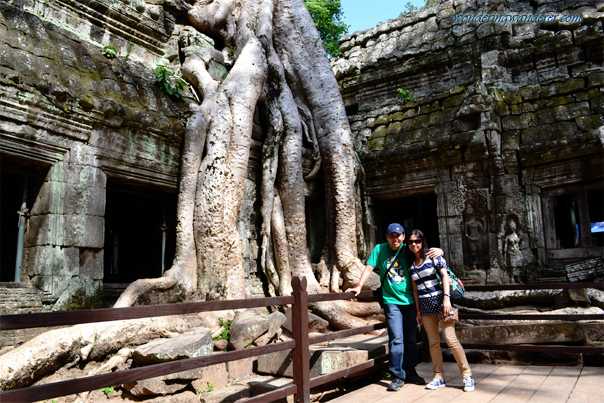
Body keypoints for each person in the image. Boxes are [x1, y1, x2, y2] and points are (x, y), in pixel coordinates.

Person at [346, 223, 442, 392]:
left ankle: (410, 371)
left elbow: (424, 253)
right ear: (387, 237)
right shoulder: (380, 249)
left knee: (411, 339)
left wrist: (440, 251)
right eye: (392, 236)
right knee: (396, 338)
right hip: (391, 301)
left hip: (410, 301)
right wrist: (359, 286)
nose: (395, 239)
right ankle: (397, 375)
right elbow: (368, 268)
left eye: (398, 236)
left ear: (403, 236)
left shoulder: (408, 247)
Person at [407, 229, 474, 392]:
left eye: (417, 241)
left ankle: (467, 376)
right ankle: (438, 377)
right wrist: (417, 311)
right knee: (433, 343)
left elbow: (444, 276)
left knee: (451, 340)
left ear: (422, 242)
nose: (414, 244)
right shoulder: (410, 265)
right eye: (411, 242)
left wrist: (446, 299)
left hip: (442, 303)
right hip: (425, 306)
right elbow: (415, 289)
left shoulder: (433, 257)